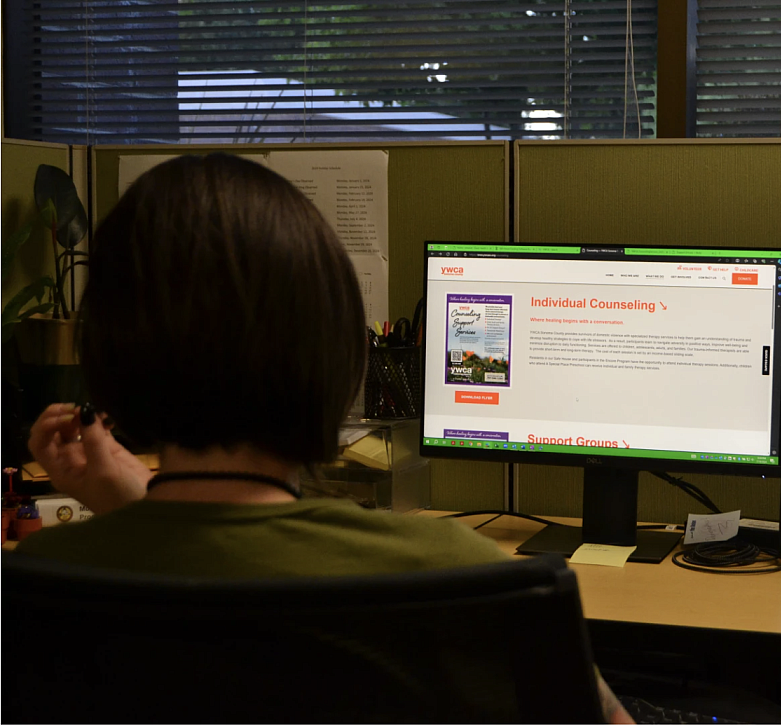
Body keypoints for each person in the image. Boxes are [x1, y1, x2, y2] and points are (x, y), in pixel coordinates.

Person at [20, 153, 632, 723]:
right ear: (335, 356)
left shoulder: (41, 581)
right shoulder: (446, 573)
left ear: (105, 352)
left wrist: (142, 516)